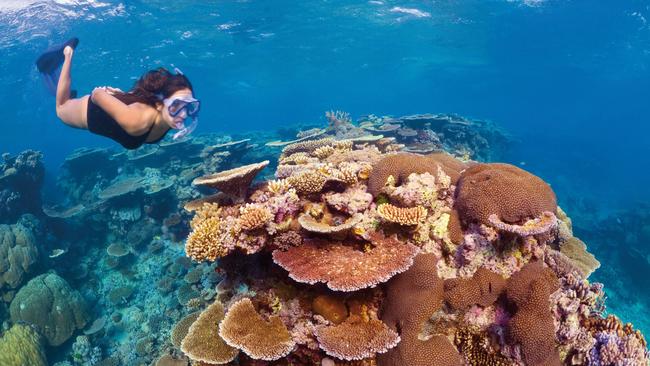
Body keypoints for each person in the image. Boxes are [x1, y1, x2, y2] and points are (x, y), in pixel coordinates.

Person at [36, 38, 201, 149]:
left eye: (190, 106)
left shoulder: (166, 117)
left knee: (66, 97)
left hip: (116, 109)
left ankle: (54, 78)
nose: (184, 114)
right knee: (61, 107)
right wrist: (106, 96)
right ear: (159, 104)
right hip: (90, 112)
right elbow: (96, 94)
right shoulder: (138, 121)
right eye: (177, 105)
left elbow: (141, 104)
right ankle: (68, 53)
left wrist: (124, 96)